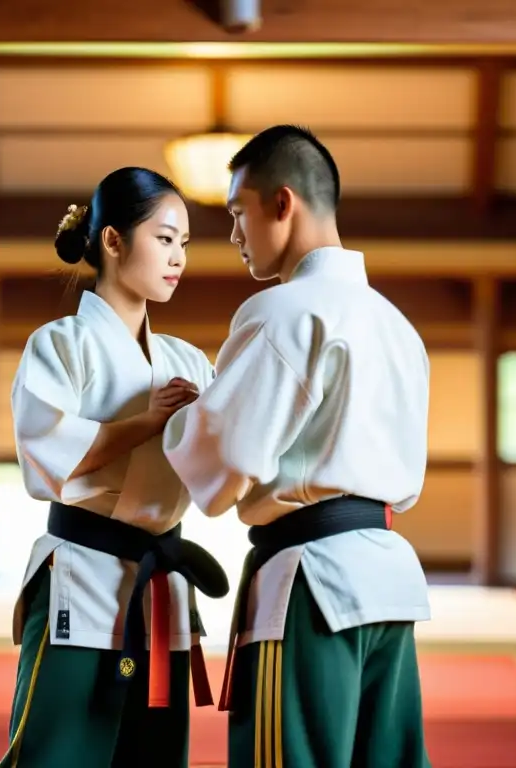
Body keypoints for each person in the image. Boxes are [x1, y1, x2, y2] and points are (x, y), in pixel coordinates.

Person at [163, 126, 434, 768]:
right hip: (390, 577)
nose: (232, 236)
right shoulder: (398, 326)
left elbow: (226, 458)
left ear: (282, 203)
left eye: (237, 213)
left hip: (312, 582)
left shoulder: (284, 310)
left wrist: (183, 417)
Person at [0, 167, 229, 768]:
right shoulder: (59, 345)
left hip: (160, 586)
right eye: (164, 238)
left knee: (151, 756)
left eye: (184, 244)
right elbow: (46, 456)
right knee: (56, 751)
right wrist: (146, 423)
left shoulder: (186, 359)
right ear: (112, 240)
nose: (178, 257)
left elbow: (218, 466)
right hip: (82, 572)